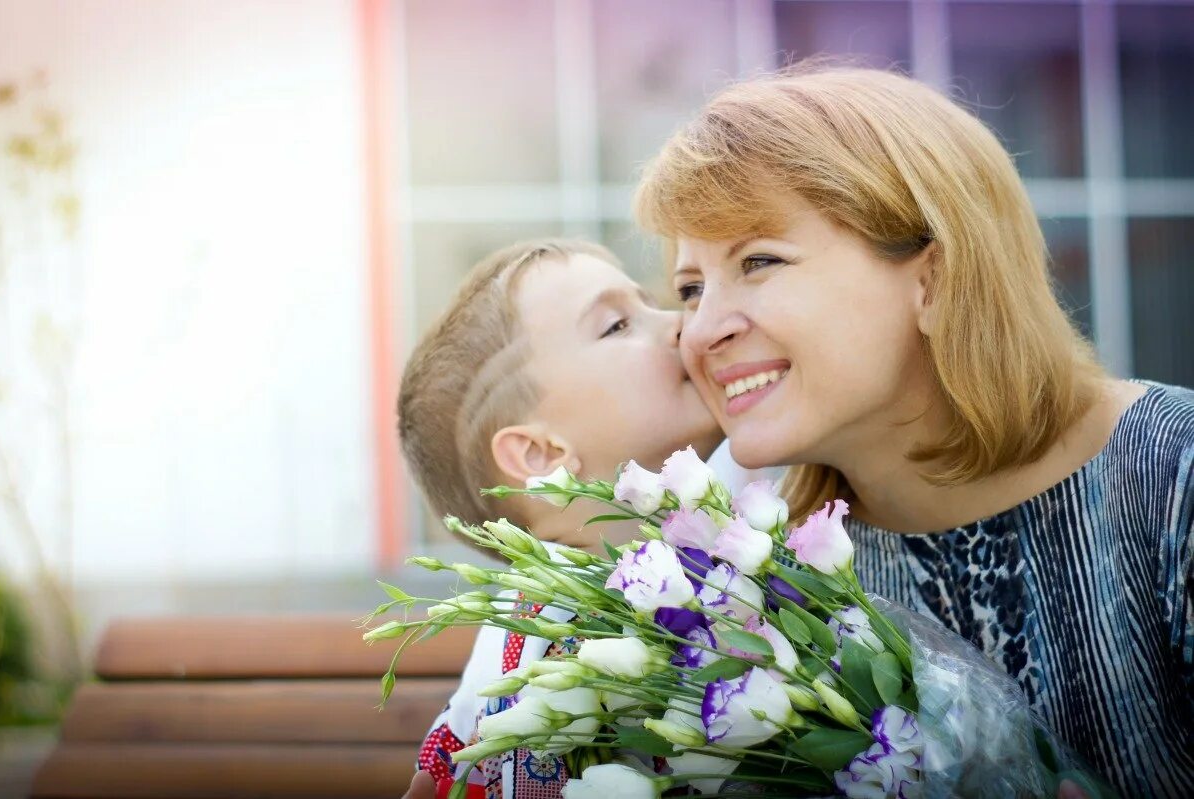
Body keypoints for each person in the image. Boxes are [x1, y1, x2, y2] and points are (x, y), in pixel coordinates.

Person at [635, 65, 1194, 797]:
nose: (702, 329)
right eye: (691, 288)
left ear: (932, 278)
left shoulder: (1173, 472)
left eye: (759, 260)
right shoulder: (739, 542)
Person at [397, 238, 738, 798]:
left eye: (649, 303)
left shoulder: (730, 526)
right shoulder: (544, 661)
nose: (683, 323)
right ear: (542, 456)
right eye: (617, 326)